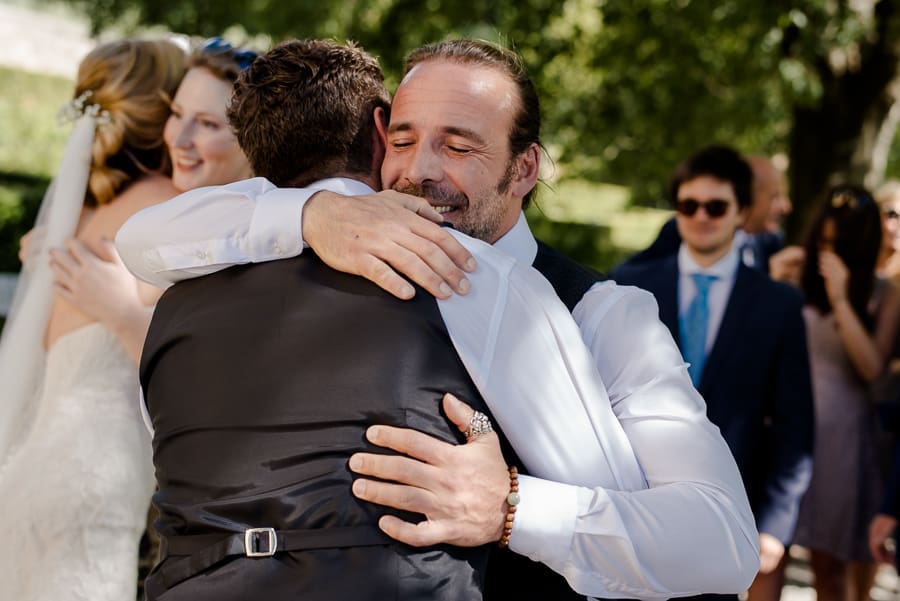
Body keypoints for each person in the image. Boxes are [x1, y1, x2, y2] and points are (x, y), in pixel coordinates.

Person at [118, 39, 760, 599]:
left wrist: (512, 507)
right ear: (376, 140)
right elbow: (145, 239)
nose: (420, 171)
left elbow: (723, 542)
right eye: (402, 140)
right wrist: (312, 214)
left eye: (458, 147)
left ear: (524, 167)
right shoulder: (323, 249)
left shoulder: (602, 315)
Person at [0, 37, 256, 600]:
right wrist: (121, 312)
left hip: (32, 469)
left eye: (207, 123)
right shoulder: (169, 212)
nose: (183, 138)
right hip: (90, 484)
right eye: (176, 114)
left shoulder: (83, 213)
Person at [612, 146, 814, 601]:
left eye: (716, 206)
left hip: (728, 512)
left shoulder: (779, 305)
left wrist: (775, 527)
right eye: (688, 205)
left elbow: (794, 427)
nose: (701, 216)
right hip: (635, 503)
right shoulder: (628, 285)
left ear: (741, 213)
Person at [773, 185, 900, 601]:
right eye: (824, 242)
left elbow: (872, 368)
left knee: (830, 566)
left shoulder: (885, 292)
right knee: (769, 555)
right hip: (786, 429)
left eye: (840, 245)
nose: (829, 253)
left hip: (842, 439)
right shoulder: (793, 274)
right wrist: (774, 283)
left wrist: (842, 299)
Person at [617, 154, 790, 271]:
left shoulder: (771, 243)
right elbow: (627, 275)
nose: (786, 207)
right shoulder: (684, 230)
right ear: (749, 195)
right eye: (775, 196)